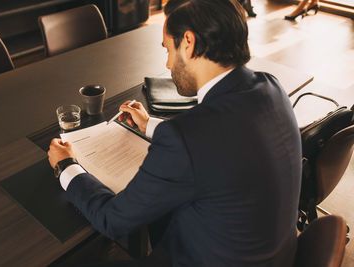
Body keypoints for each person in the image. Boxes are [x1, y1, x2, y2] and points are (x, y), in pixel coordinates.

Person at [48, 0, 302, 266]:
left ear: (188, 43)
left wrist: (66, 166)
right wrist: (150, 124)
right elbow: (222, 143)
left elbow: (113, 220)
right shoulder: (270, 86)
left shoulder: (187, 138)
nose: (168, 64)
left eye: (168, 49)